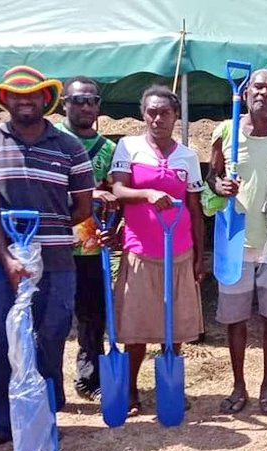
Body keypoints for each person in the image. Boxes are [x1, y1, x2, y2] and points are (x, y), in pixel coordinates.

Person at [0, 66, 94, 451]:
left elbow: (82, 206)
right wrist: (9, 254)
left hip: (57, 260)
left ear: (45, 100)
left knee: (51, 336)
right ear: (4, 99)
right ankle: (1, 423)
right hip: (4, 262)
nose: (25, 100)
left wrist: (47, 233)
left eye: (33, 94)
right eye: (16, 94)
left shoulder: (69, 147)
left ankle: (45, 412)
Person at [207, 69, 267, 415]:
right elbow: (212, 175)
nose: (264, 93)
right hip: (236, 241)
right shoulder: (226, 130)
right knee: (235, 320)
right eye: (258, 87)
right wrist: (219, 187)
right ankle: (238, 385)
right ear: (246, 93)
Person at [110, 85, 205, 414]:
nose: (158, 118)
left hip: (179, 251)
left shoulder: (187, 157)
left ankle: (170, 386)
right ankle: (132, 390)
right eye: (152, 111)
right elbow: (119, 188)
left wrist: (198, 254)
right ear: (143, 114)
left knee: (174, 327)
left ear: (176, 116)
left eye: (165, 112)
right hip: (140, 250)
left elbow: (194, 208)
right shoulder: (128, 147)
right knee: (136, 328)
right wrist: (147, 193)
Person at [55, 76, 119, 402]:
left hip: (92, 245)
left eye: (91, 100)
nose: (84, 106)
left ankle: (89, 378)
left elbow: (114, 191)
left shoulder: (108, 149)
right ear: (64, 103)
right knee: (51, 317)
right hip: (54, 243)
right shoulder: (50, 141)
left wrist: (114, 225)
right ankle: (48, 385)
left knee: (93, 315)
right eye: (77, 100)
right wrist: (88, 192)